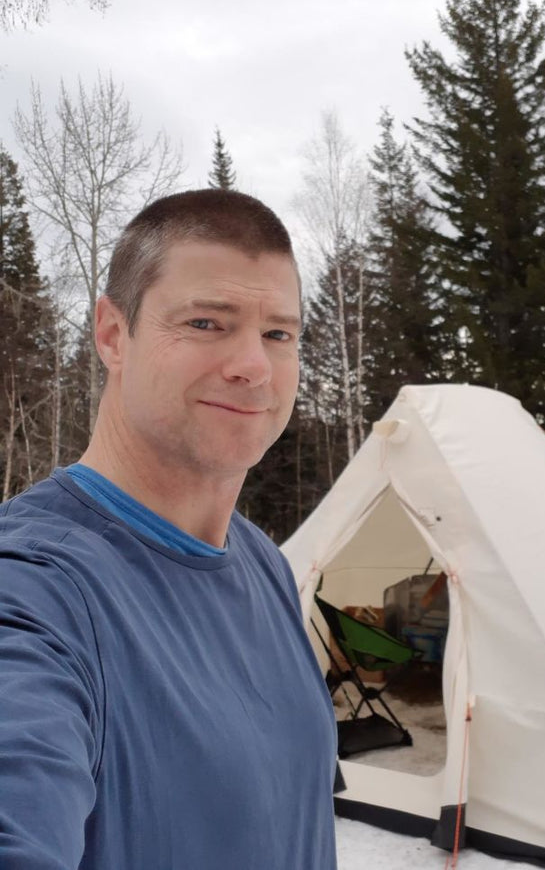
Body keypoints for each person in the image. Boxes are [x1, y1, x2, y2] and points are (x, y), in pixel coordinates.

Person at [0, 190, 338, 869]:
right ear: (112, 334)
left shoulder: (264, 564)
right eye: (208, 322)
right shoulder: (36, 587)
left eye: (279, 333)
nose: (254, 366)